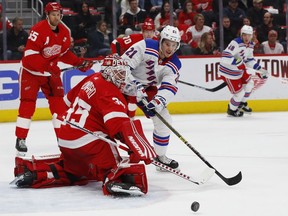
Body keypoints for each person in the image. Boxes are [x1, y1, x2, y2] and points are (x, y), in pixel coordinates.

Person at [12, 54, 156, 196]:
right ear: (108, 73)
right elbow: (119, 126)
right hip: (88, 141)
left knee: (75, 172)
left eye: (123, 73)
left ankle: (37, 173)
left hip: (65, 138)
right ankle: (114, 180)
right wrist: (139, 149)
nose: (122, 78)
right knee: (112, 163)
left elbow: (67, 101)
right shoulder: (109, 92)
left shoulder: (92, 78)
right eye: (118, 73)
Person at [15, 2, 94, 154]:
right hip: (31, 73)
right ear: (47, 15)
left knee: (59, 106)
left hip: (50, 74)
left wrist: (79, 62)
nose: (56, 17)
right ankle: (21, 139)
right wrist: (48, 67)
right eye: (53, 14)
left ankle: (62, 138)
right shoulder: (38, 30)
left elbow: (64, 54)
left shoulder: (65, 32)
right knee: (28, 104)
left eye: (58, 14)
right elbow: (30, 56)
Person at [121, 25, 182, 169]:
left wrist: (159, 101)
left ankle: (160, 157)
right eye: (167, 44)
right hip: (122, 84)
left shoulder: (175, 63)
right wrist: (135, 86)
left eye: (174, 45)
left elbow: (169, 87)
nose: (170, 48)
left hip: (147, 89)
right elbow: (123, 66)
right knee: (117, 121)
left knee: (164, 119)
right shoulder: (146, 45)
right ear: (160, 41)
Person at [218, 25, 269, 117]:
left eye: (249, 35)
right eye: (245, 35)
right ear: (241, 35)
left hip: (239, 71)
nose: (247, 37)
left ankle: (241, 104)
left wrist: (260, 69)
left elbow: (249, 60)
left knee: (250, 84)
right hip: (229, 72)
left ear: (252, 36)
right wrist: (237, 62)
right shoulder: (236, 43)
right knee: (239, 94)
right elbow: (225, 56)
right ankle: (232, 110)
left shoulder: (250, 45)